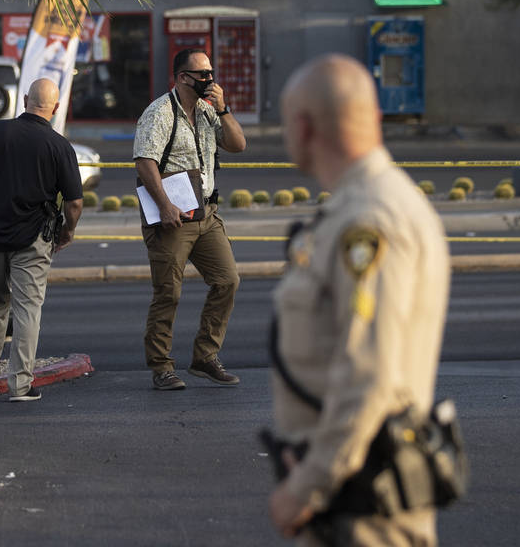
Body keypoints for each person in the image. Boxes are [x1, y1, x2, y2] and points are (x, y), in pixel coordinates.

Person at [267, 54, 450, 545]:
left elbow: (370, 376)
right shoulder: (361, 205)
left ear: (304, 127)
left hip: (362, 508)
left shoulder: (369, 220)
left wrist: (307, 487)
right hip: (348, 499)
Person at [0, 77, 83, 402]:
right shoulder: (58, 145)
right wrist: (67, 232)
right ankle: (20, 385)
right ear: (54, 108)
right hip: (34, 239)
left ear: (25, 99)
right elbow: (75, 202)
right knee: (27, 309)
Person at [133, 48, 247, 390]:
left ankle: (205, 357)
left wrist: (223, 108)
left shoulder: (208, 111)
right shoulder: (159, 113)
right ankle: (162, 367)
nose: (209, 79)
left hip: (207, 213)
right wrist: (165, 206)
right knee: (168, 293)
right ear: (182, 78)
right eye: (202, 74)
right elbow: (144, 161)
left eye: (211, 72)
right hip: (174, 218)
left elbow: (238, 144)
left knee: (227, 281)